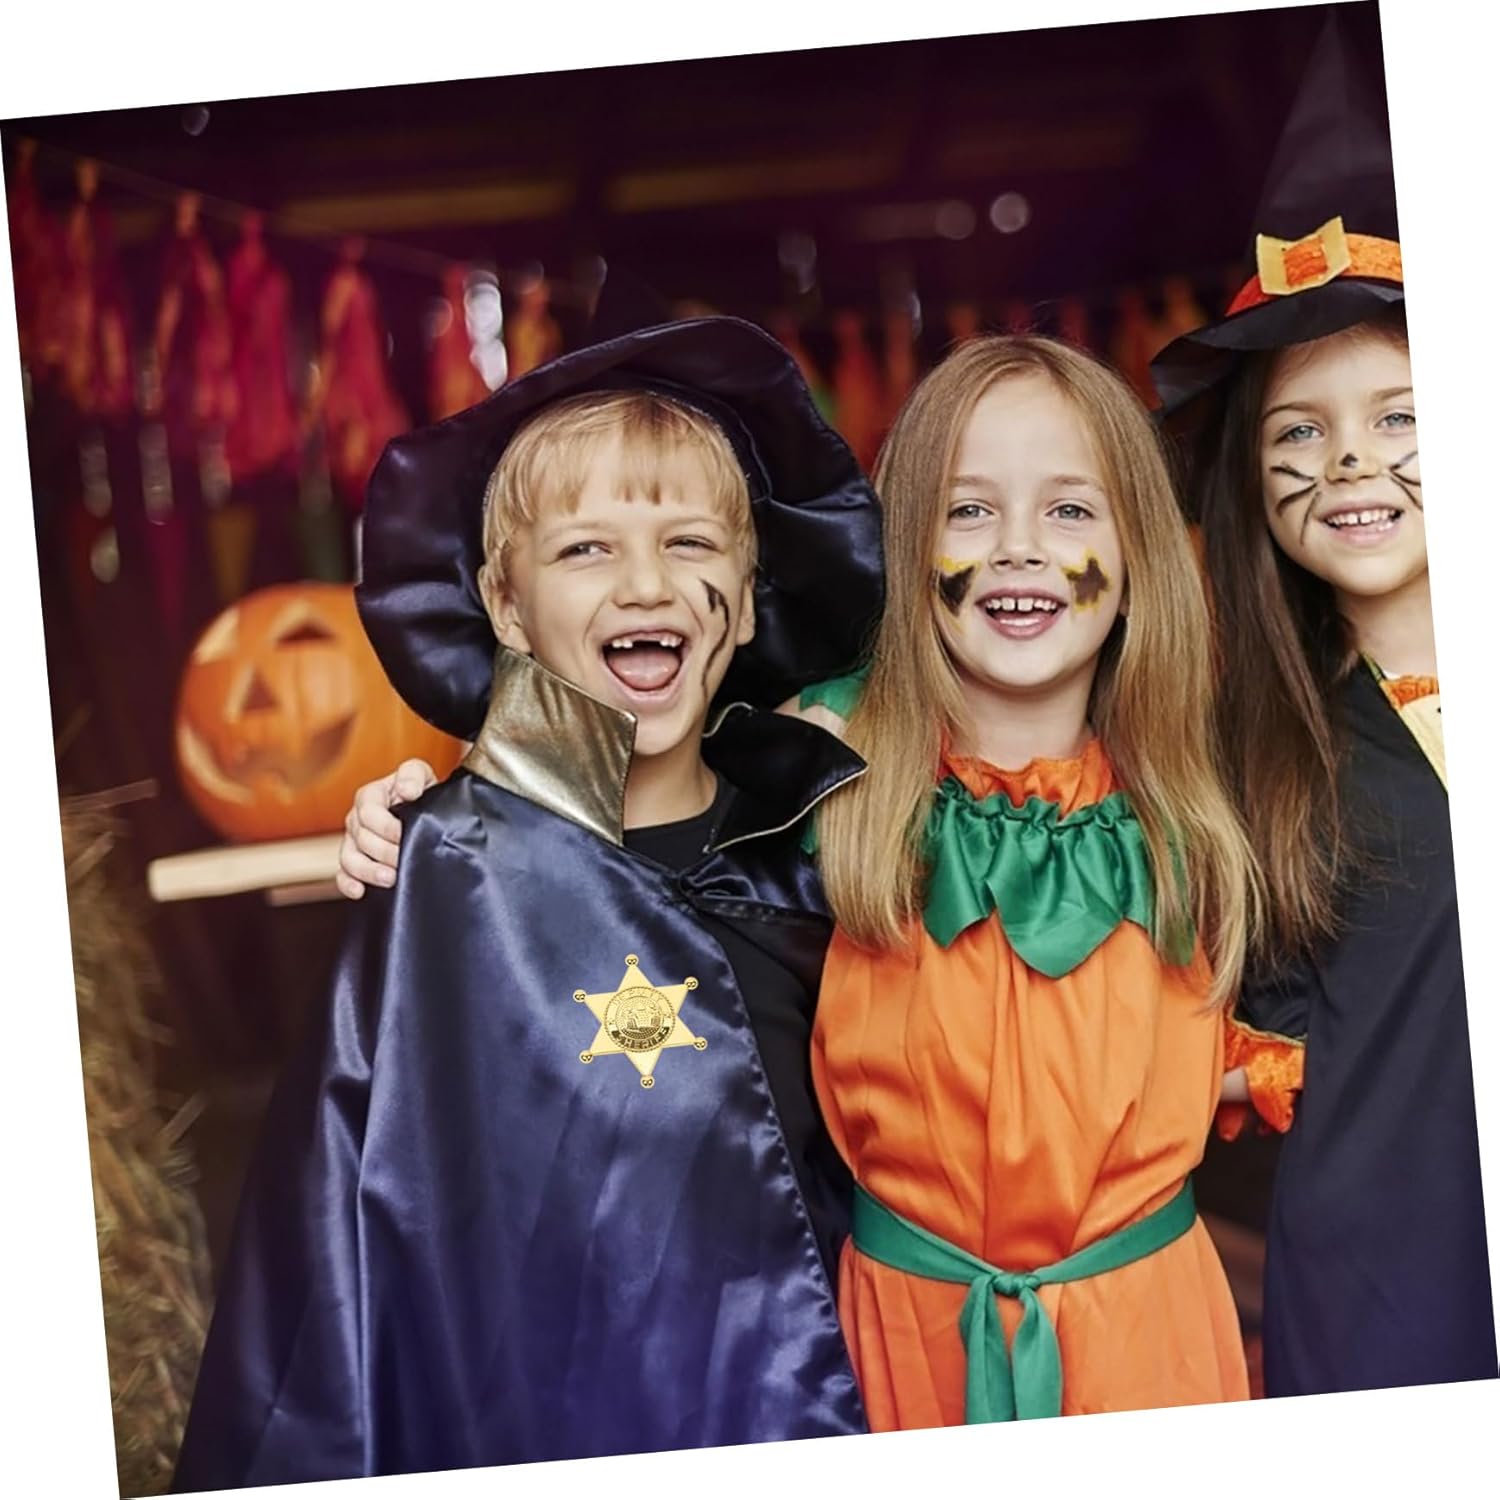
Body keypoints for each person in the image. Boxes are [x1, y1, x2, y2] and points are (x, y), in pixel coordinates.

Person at [339, 331, 1261, 1425]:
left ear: (1143, 549)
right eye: (969, 510)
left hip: (1150, 1354)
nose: (1018, 546)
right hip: (876, 1357)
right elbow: (612, 865)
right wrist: (433, 822)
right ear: (906, 547)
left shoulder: (1206, 807)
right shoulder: (825, 783)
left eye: (1069, 509)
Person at [172, 313, 884, 1489]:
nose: (647, 582)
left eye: (689, 542)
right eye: (586, 549)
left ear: (749, 598)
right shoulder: (454, 885)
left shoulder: (832, 855)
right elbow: (338, 1253)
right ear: (506, 609)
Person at [1150, 14, 1497, 1396]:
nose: (1351, 460)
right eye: (1300, 429)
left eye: (1401, 415)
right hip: (1386, 1302)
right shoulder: (1240, 757)